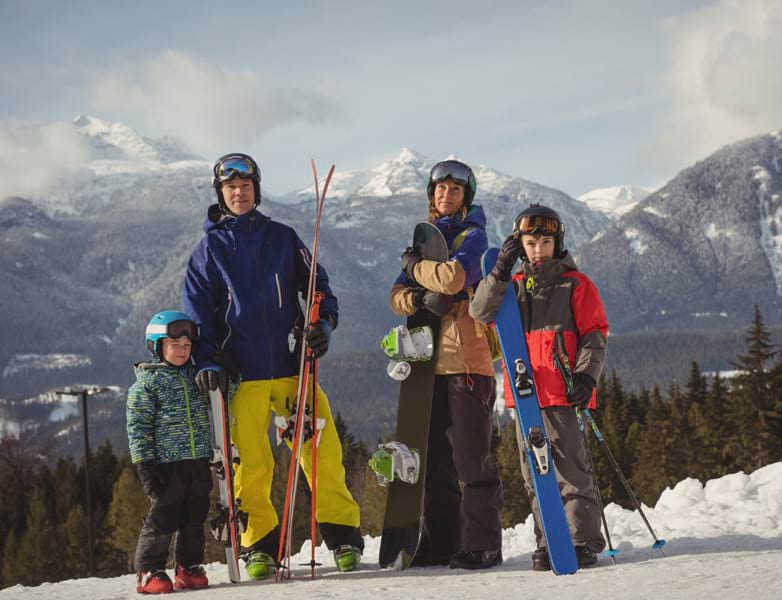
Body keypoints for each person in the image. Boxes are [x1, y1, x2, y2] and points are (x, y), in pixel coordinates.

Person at [183, 152, 363, 579]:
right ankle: (259, 545)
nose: (239, 193)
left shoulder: (283, 237)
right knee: (252, 462)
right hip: (241, 373)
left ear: (256, 190)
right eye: (231, 188)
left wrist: (323, 325)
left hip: (290, 364)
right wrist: (207, 359)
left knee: (320, 452)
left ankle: (343, 538)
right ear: (221, 194)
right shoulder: (209, 249)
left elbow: (317, 286)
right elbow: (198, 313)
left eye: (246, 187)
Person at [469, 203, 609, 570]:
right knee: (535, 474)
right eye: (530, 243)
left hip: (564, 392)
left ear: (557, 243)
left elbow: (595, 335)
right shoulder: (513, 287)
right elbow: (480, 312)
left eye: (545, 242)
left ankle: (582, 541)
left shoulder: (576, 285)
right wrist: (499, 270)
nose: (538, 249)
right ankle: (550, 541)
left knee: (570, 471)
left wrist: (585, 376)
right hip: (526, 397)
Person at [389, 159, 503, 570]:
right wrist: (419, 298)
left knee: (471, 460)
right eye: (440, 189)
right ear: (431, 195)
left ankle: (484, 544)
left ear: (466, 196)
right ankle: (442, 541)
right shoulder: (427, 238)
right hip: (425, 362)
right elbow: (396, 295)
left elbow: (456, 278)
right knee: (434, 460)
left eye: (455, 190)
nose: (446, 195)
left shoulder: (475, 236)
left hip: (467, 362)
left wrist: (416, 268)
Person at [127, 311, 213, 594]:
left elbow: (225, 393)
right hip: (166, 463)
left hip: (198, 458)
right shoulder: (148, 384)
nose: (181, 351)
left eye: (187, 346)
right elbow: (138, 427)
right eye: (174, 345)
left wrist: (225, 372)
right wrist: (144, 464)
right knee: (165, 515)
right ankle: (149, 569)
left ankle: (188, 567)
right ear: (157, 347)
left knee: (194, 515)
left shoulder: (197, 376)